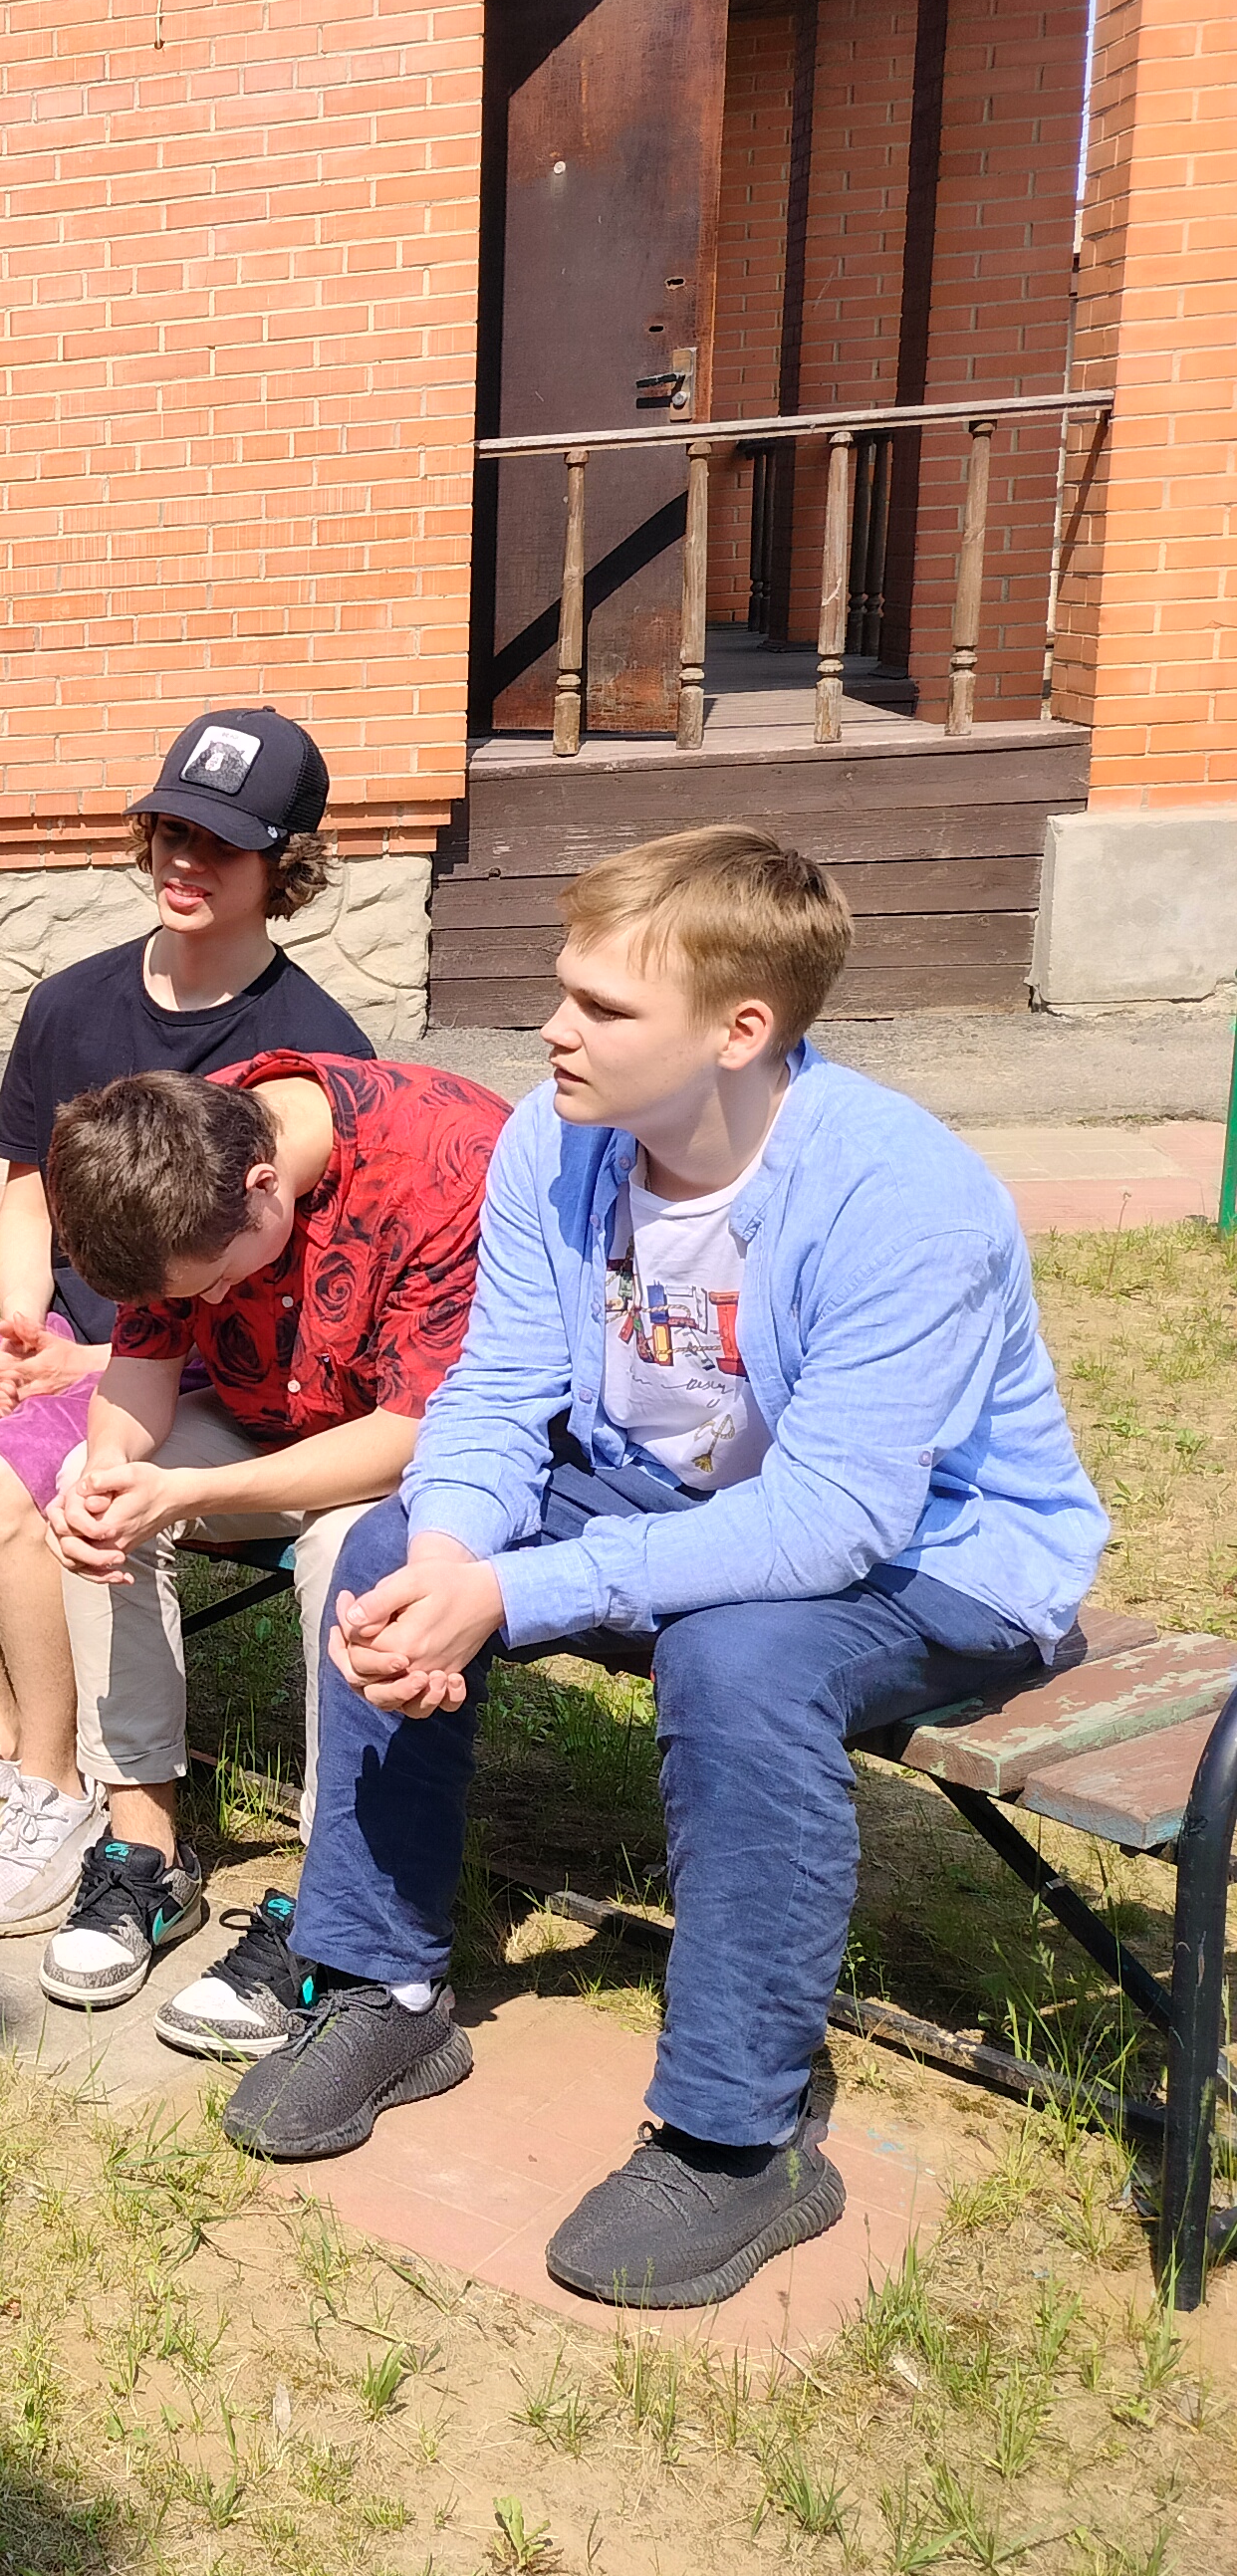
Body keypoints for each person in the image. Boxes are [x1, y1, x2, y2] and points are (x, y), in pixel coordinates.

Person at [225, 827, 1107, 2311]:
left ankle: (736, 2139)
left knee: (740, 1655)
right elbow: (497, 1392)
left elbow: (830, 1524)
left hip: (945, 1554)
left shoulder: (906, 1201)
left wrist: (512, 1592)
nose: (555, 1031)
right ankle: (384, 1984)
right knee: (387, 1545)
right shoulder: (551, 1138)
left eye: (605, 1008)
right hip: (674, 1491)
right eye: (563, 992)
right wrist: (451, 1560)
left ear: (740, 1030)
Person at [0, 710, 372, 1975]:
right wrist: (24, 1312)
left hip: (184, 1355)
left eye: (220, 847)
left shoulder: (312, 1044)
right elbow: (26, 1188)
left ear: (281, 864)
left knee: (2, 1481)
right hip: (58, 1329)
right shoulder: (71, 1001)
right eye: (169, 832)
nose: (184, 863)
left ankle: (59, 1790)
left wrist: (88, 1362)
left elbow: (271, 1283)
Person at [30, 1046, 507, 2036]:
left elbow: (414, 1435)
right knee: (95, 1489)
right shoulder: (165, 1159)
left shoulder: (444, 1163)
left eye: (213, 1283)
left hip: (416, 1459)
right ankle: (143, 1855)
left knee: (349, 1560)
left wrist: (194, 1487)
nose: (207, 1305)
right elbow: (141, 1371)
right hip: (266, 1425)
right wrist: (116, 1468)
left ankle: (332, 1909)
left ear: (262, 1187)